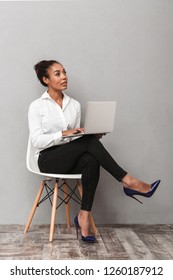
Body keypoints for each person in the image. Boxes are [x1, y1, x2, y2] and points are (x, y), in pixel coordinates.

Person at [28, 60, 160, 243]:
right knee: (88, 143)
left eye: (65, 72)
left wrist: (90, 135)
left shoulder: (73, 105)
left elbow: (75, 140)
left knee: (91, 158)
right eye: (57, 74)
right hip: (48, 159)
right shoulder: (37, 106)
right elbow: (36, 140)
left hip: (70, 156)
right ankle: (129, 181)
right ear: (45, 79)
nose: (64, 76)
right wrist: (63, 133)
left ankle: (83, 215)